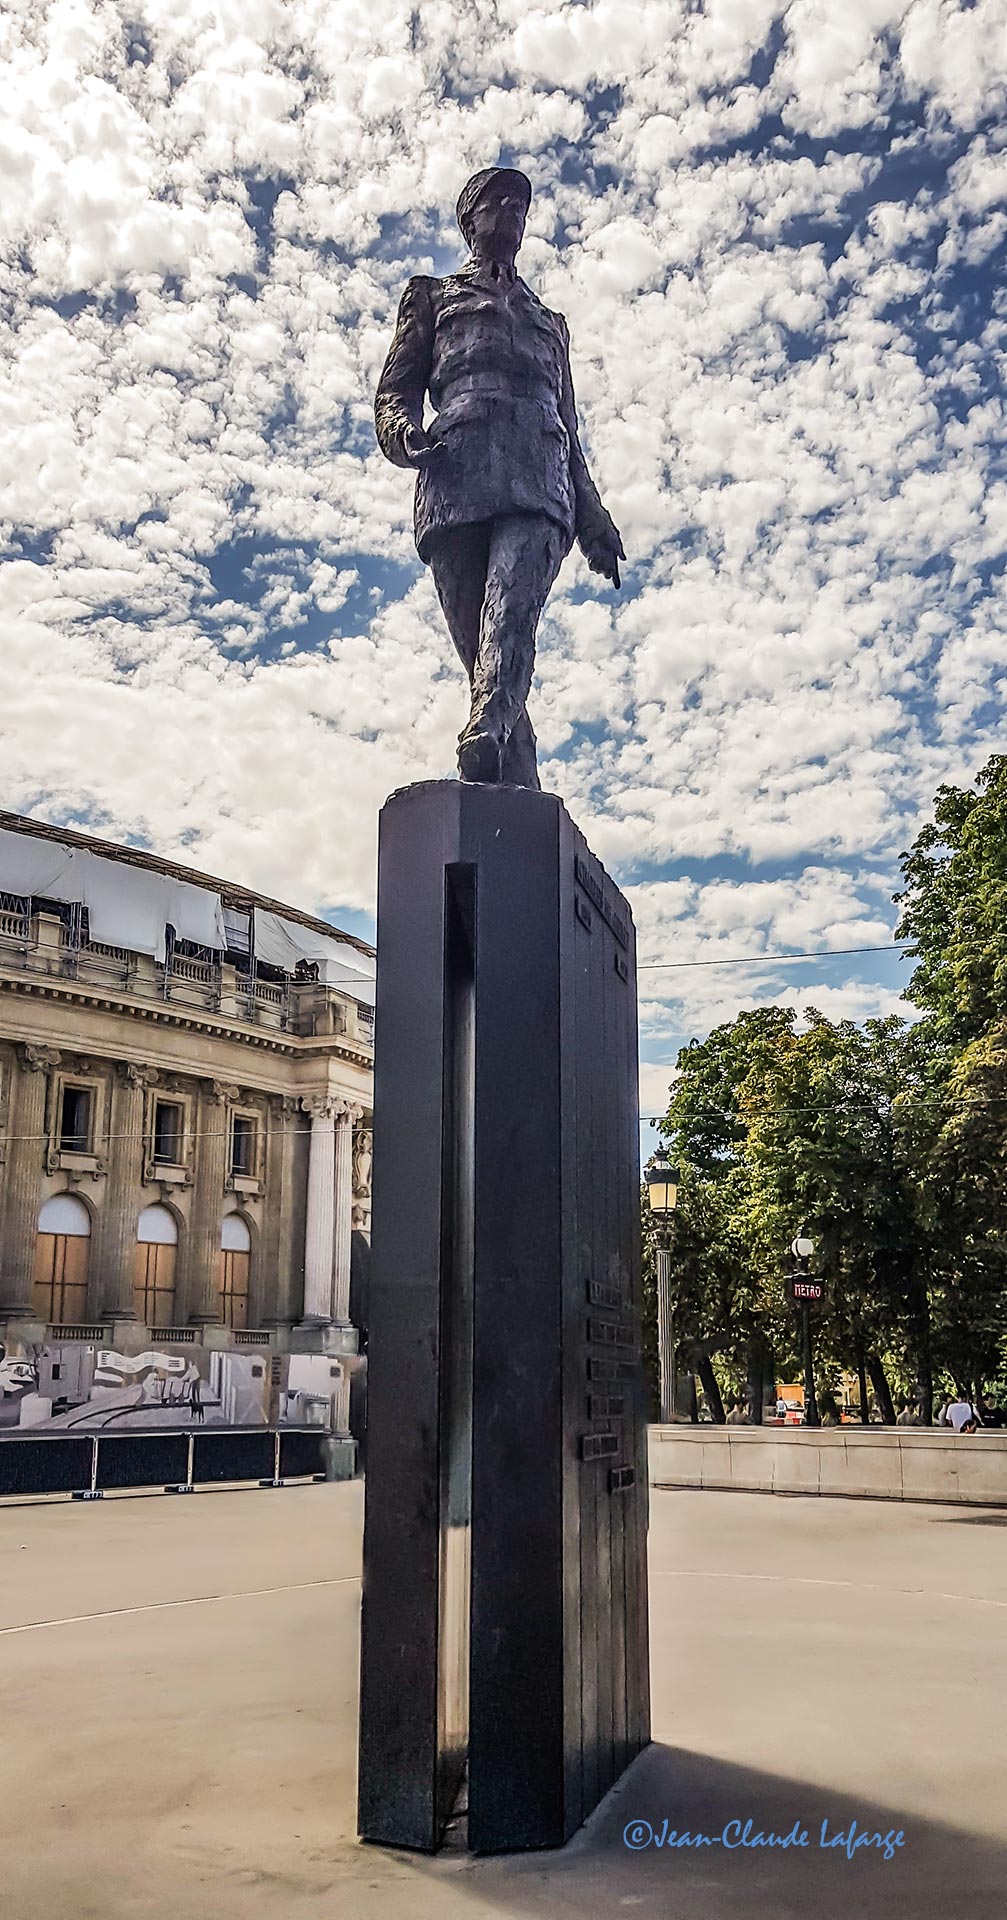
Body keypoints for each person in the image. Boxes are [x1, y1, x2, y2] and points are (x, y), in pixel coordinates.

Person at [374, 166, 625, 788]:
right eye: (498, 202)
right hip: (454, 479)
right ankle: (517, 769)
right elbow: (394, 391)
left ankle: (485, 731)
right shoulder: (431, 297)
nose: (512, 212)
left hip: (539, 482)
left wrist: (593, 517)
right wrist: (404, 434)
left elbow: (569, 423)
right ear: (471, 220)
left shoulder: (550, 323)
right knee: (483, 651)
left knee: (508, 620)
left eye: (521, 204)